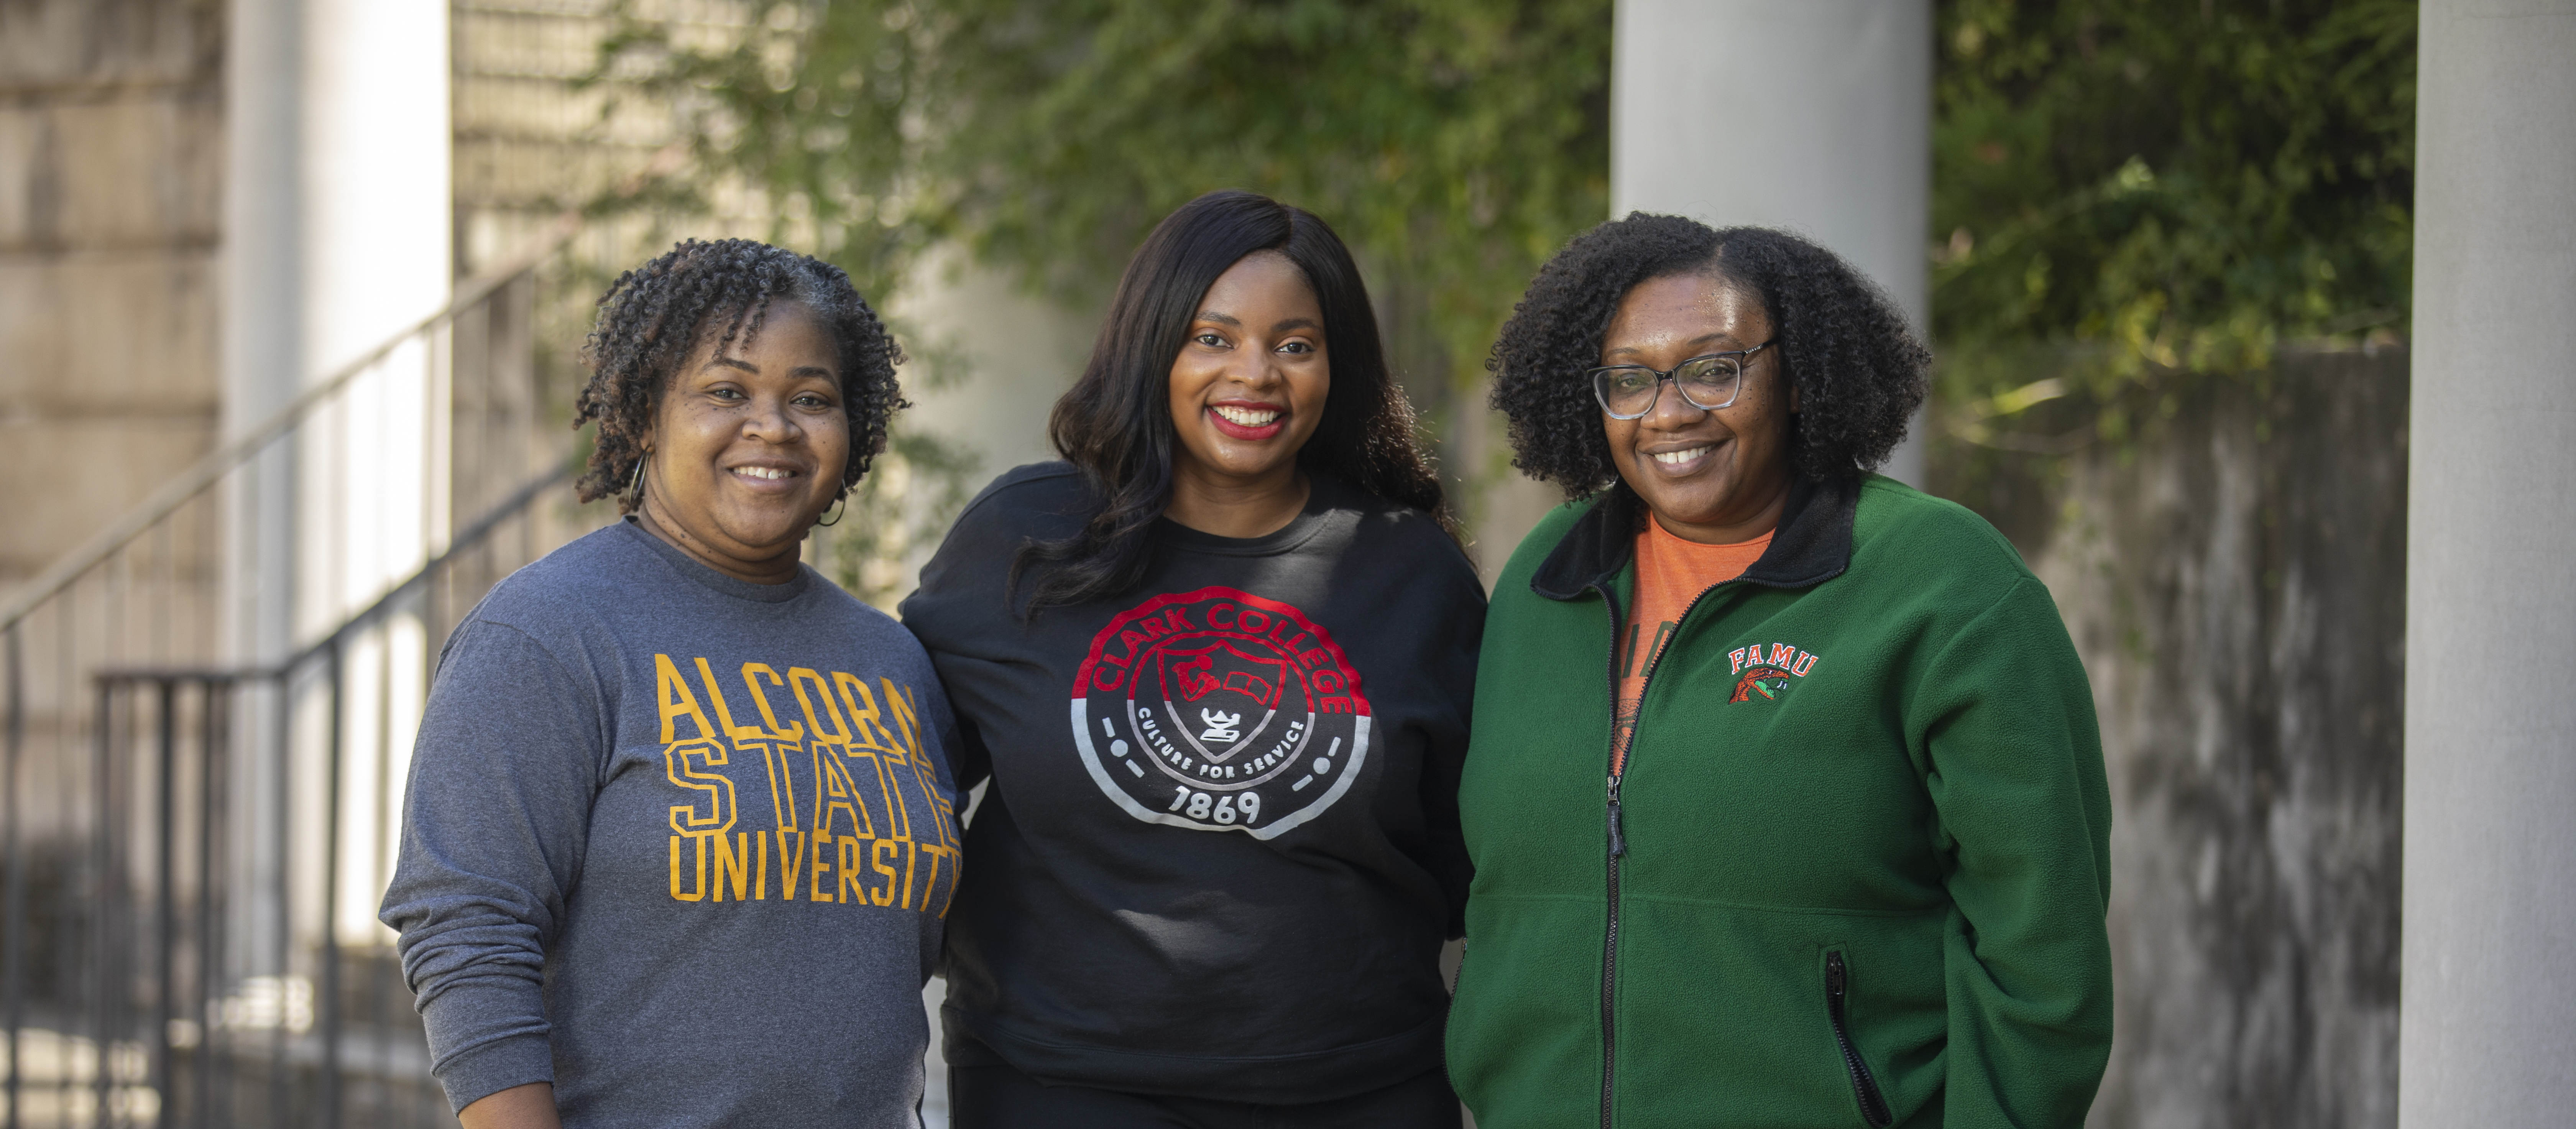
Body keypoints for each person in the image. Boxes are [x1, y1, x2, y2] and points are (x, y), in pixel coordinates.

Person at [1444, 217, 2112, 1128]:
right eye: (1630, 380)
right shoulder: (1546, 576)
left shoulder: (1941, 583)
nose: (1670, 412)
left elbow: (2044, 955)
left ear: (1797, 379)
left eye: (1714, 369)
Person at [900, 189, 1481, 1127]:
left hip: (1358, 1088)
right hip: (1061, 1085)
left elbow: (1479, 851)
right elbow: (892, 776)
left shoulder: (1411, 570)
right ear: (1152, 345)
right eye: (1213, 338)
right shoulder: (1025, 537)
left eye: (1294, 345)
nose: (1255, 374)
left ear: (1336, 368)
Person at [381, 238, 961, 1129]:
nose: (772, 426)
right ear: (645, 415)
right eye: (726, 392)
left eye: (811, 398)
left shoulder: (892, 662)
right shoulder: (547, 633)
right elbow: (468, 933)